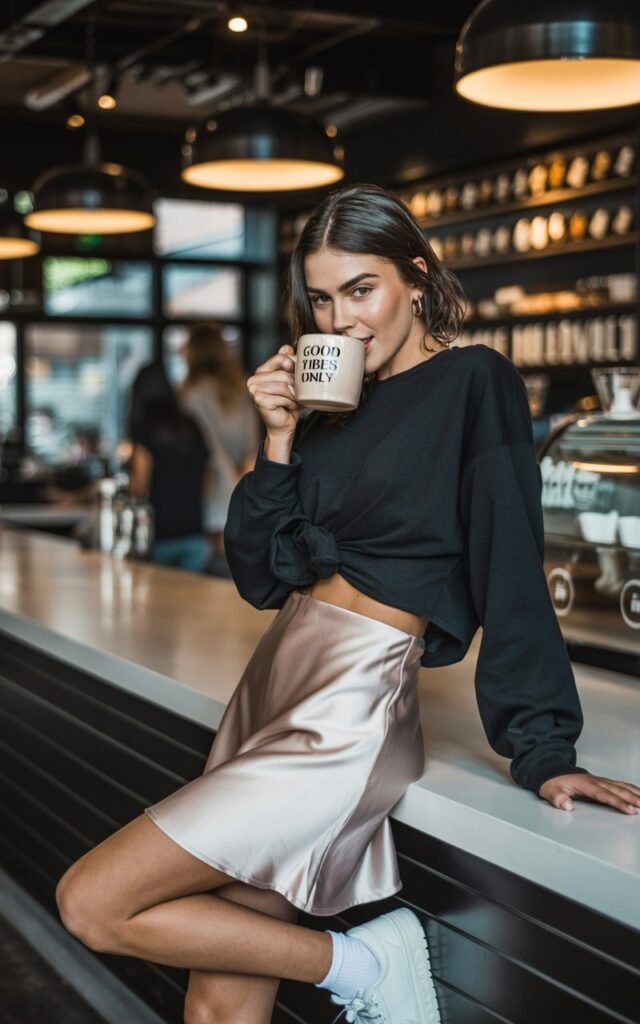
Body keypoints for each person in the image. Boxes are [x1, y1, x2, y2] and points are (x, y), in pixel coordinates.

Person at [54, 185, 640, 1024]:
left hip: (351, 703)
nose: (341, 320)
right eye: (322, 299)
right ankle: (358, 967)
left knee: (92, 901)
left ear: (417, 276)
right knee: (220, 999)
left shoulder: (474, 381)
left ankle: (364, 965)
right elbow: (261, 578)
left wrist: (545, 750)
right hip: (272, 682)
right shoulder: (328, 406)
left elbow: (511, 563)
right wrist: (277, 439)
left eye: (361, 290)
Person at [180, 322, 261, 563]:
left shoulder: (190, 394)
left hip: (210, 489)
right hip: (243, 484)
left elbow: (205, 448)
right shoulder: (241, 389)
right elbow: (251, 443)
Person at [128, 362, 210, 572]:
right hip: (194, 533)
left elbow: (139, 486)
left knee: (157, 594)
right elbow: (207, 474)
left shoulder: (145, 427)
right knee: (192, 593)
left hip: (160, 536)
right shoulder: (191, 424)